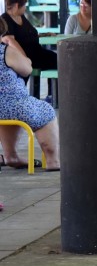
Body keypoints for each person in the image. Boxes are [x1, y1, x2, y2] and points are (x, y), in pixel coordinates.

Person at [0, 23, 59, 171]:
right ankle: (53, 161)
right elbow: (27, 69)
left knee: (8, 110)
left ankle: (11, 156)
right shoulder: (5, 52)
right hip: (12, 104)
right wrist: (15, 48)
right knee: (46, 110)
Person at [2, 0, 56, 72]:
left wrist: (44, 34)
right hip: (26, 58)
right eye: (24, 5)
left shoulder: (21, 16)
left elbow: (28, 34)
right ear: (17, 6)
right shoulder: (5, 19)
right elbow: (10, 41)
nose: (25, 8)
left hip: (36, 52)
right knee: (58, 61)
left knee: (59, 58)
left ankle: (52, 84)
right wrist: (25, 60)